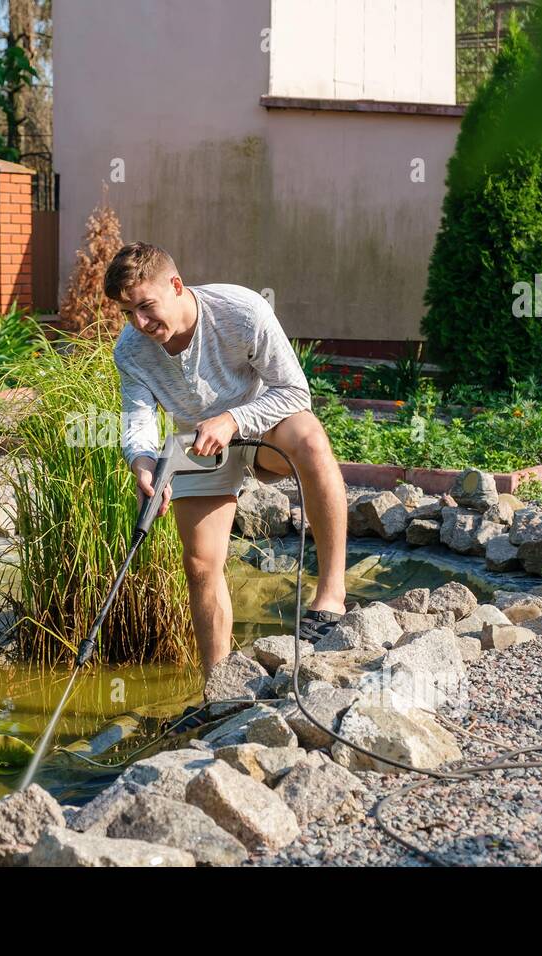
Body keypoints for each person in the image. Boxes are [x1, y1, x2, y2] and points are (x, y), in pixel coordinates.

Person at [105, 241, 350, 700]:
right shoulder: (131, 350)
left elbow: (295, 392)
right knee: (199, 564)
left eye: (145, 306)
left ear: (176, 286)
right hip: (196, 445)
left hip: (261, 430)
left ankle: (330, 597)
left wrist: (234, 419)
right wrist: (142, 466)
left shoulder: (242, 310)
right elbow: (137, 419)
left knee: (312, 440)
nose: (139, 323)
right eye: (127, 313)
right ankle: (219, 692)